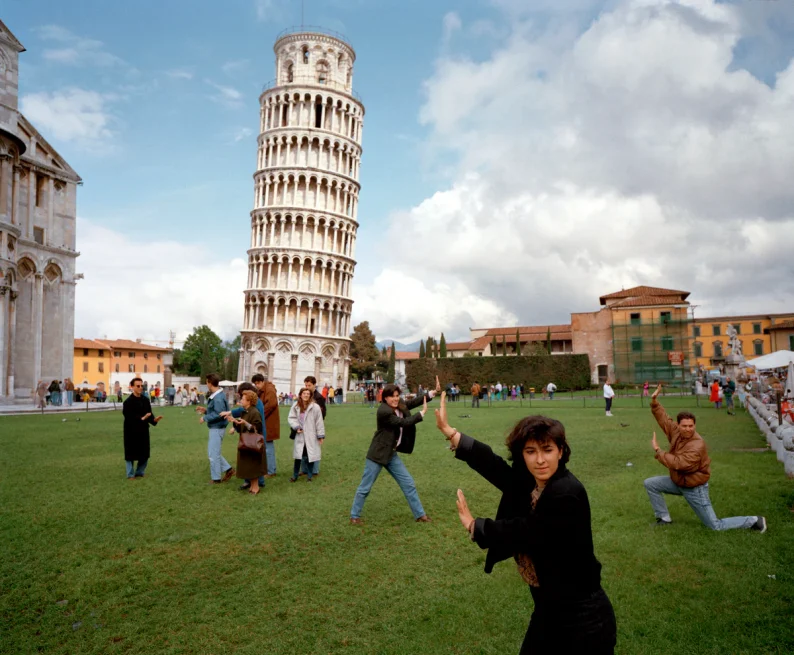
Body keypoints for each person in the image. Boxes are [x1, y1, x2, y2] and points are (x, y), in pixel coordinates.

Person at [433, 392, 616, 654]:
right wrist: (452, 433)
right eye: (531, 451)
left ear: (561, 451)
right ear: (522, 455)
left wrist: (477, 527)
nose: (540, 459)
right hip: (549, 609)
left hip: (583, 618)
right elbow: (495, 467)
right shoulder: (534, 483)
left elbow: (528, 532)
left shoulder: (566, 492)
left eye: (547, 450)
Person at [643, 384, 767, 532]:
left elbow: (679, 464)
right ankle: (664, 519)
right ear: (679, 425)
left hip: (695, 488)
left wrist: (658, 450)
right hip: (679, 481)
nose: (688, 429)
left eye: (691, 426)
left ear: (694, 425)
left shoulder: (697, 444)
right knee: (651, 484)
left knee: (715, 526)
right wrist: (655, 402)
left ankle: (755, 521)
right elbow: (665, 420)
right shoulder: (676, 432)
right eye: (684, 426)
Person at [350, 377, 440, 524]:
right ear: (385, 398)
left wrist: (431, 393)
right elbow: (403, 423)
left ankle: (420, 515)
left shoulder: (399, 404)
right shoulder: (384, 411)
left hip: (391, 454)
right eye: (392, 396)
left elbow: (412, 402)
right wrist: (422, 413)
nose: (396, 399)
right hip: (377, 454)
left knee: (408, 483)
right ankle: (354, 516)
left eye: (397, 396)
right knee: (365, 487)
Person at [196, 373, 235, 484]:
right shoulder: (219, 395)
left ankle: (216, 478)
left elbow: (219, 413)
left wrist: (205, 417)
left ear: (209, 383)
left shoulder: (217, 397)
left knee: (213, 454)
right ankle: (228, 470)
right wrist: (206, 410)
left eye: (206, 382)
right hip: (218, 427)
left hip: (217, 428)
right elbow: (218, 411)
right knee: (213, 453)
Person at [122, 377, 162, 479]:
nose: (140, 388)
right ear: (132, 387)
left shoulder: (145, 400)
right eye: (138, 386)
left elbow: (149, 414)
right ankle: (130, 474)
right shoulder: (127, 402)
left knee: (144, 453)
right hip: (131, 431)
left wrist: (154, 420)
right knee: (130, 454)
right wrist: (142, 418)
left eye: (142, 386)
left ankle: (140, 472)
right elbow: (128, 416)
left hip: (143, 430)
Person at [230, 389, 266, 495]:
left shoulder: (254, 412)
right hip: (246, 443)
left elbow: (257, 427)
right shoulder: (245, 412)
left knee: (253, 465)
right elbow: (243, 425)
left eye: (243, 399)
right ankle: (252, 486)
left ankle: (256, 487)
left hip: (253, 444)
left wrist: (245, 423)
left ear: (249, 401)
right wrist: (235, 422)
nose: (241, 400)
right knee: (248, 465)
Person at [288, 387, 325, 482]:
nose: (306, 395)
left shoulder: (315, 407)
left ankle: (309, 476)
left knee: (310, 455)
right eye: (304, 393)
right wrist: (296, 427)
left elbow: (319, 422)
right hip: (300, 434)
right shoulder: (296, 406)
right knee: (298, 456)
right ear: (300, 394)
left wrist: (320, 435)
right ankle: (295, 475)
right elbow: (291, 418)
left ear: (310, 395)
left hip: (311, 435)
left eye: (308, 394)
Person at [252, 374, 280, 478]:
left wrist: (260, 414)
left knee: (268, 447)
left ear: (262, 381)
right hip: (265, 421)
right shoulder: (263, 390)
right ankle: (267, 469)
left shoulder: (270, 389)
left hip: (269, 422)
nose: (257, 386)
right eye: (255, 384)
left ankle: (271, 470)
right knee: (265, 446)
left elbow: (271, 405)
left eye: (258, 383)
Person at [301, 376, 327, 477]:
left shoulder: (319, 397)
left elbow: (322, 413)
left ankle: (314, 470)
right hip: (304, 426)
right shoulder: (303, 395)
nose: (307, 387)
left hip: (314, 427)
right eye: (306, 385)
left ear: (314, 385)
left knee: (314, 448)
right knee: (303, 447)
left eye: (309, 385)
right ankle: (304, 469)